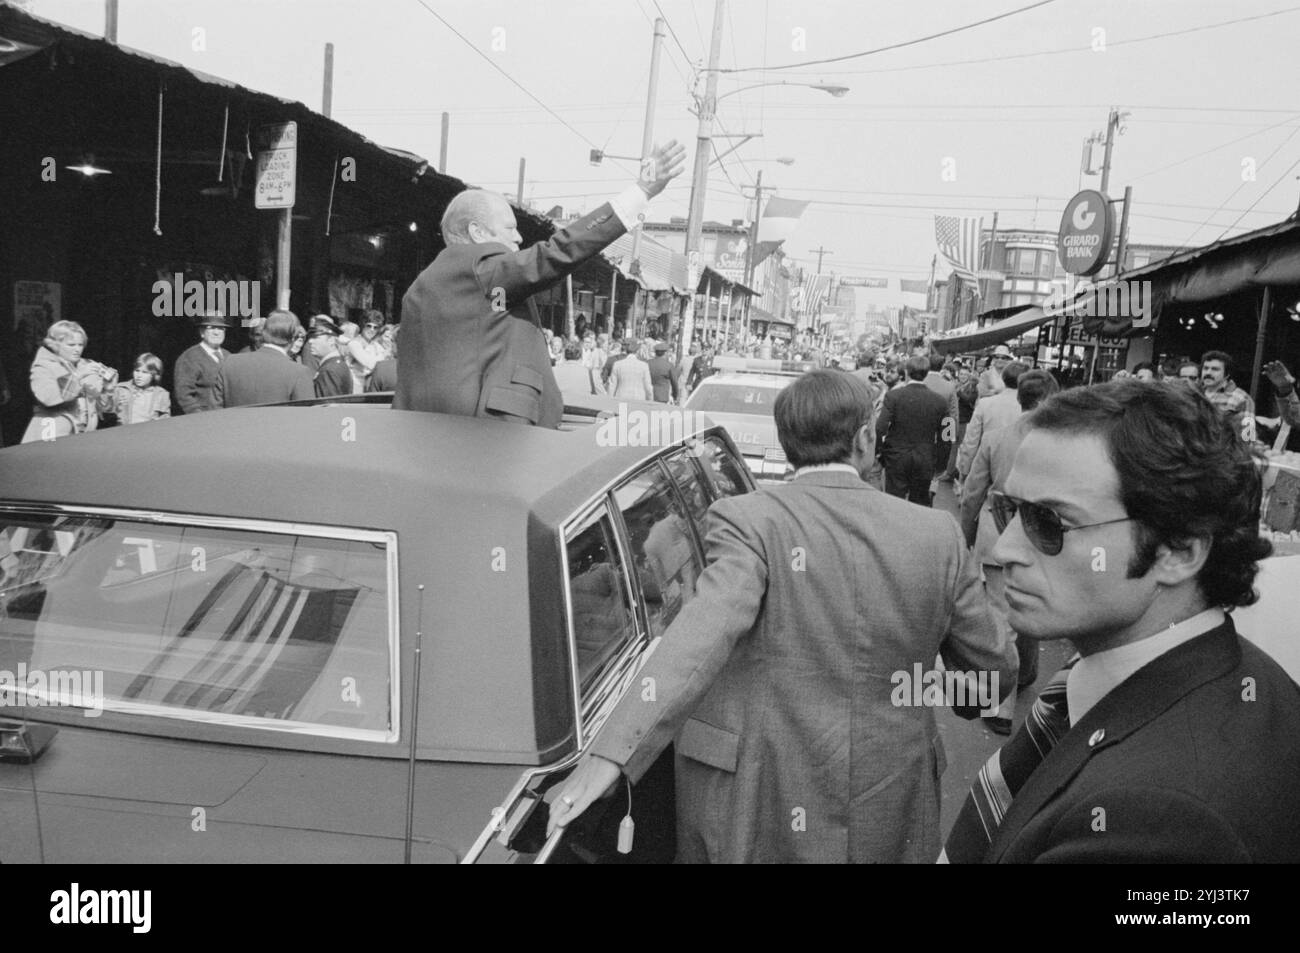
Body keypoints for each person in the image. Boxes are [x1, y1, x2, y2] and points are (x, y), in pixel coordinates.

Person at [548, 370, 1013, 863]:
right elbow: (993, 675)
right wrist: (928, 687)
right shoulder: (936, 534)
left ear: (787, 444)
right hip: (890, 793)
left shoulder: (748, 520)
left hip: (763, 794)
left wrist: (610, 755)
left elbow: (701, 633)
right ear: (863, 438)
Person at [950, 380, 1300, 863]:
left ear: (1178, 551)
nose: (1007, 548)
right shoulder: (1232, 676)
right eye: (1010, 509)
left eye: (1049, 523)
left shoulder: (1158, 820)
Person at [393, 141, 686, 427]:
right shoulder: (483, 269)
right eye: (509, 229)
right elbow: (557, 253)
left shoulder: (421, 289)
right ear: (477, 232)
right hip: (497, 440)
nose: (519, 238)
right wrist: (641, 192)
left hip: (433, 436)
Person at [958, 369, 1059, 734]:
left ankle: (1001, 705)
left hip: (997, 531)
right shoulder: (1061, 441)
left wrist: (967, 532)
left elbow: (972, 493)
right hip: (1047, 534)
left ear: (1020, 398)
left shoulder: (997, 438)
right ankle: (1022, 675)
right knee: (1034, 603)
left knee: (1002, 612)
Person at [21, 320, 117, 443]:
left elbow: (106, 410)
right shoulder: (43, 367)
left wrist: (108, 390)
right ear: (55, 345)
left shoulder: (88, 365)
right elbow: (49, 399)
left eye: (80, 345)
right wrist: (79, 376)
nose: (77, 349)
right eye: (71, 345)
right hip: (51, 435)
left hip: (84, 438)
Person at [876, 356, 950, 506]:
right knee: (919, 504)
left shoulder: (893, 396)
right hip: (925, 458)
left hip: (896, 456)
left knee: (893, 503)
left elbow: (880, 427)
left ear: (907, 372)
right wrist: (941, 464)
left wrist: (879, 451)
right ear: (927, 373)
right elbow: (948, 435)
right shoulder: (941, 401)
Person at [212, 310, 314, 408]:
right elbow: (306, 419)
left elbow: (213, 411)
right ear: (293, 338)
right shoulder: (299, 372)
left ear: (264, 333)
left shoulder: (229, 362)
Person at [957, 361, 1027, 480]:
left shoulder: (985, 404)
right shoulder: (1030, 408)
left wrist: (965, 470)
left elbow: (971, 441)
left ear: (1003, 378)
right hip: (1014, 475)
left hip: (984, 468)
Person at [173, 312, 231, 414]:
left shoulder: (229, 356)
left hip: (227, 417)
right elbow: (183, 395)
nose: (216, 332)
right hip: (203, 420)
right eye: (212, 328)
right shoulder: (189, 358)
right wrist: (199, 416)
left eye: (221, 328)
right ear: (202, 332)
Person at [1200, 349, 1255, 441]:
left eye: (1215, 369)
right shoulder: (1195, 393)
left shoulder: (1241, 398)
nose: (1208, 373)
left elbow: (1247, 437)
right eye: (1205, 368)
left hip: (1222, 452)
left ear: (1227, 374)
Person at [922, 353, 959, 482]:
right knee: (935, 467)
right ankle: (932, 486)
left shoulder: (921, 382)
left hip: (919, 430)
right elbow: (953, 414)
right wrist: (951, 438)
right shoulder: (949, 386)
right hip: (940, 432)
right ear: (942, 366)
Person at [112, 353, 171, 425]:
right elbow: (106, 409)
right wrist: (108, 390)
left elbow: (166, 420)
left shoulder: (161, 394)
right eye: (137, 371)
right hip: (124, 432)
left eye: (145, 372)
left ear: (154, 375)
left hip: (149, 433)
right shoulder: (122, 389)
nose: (139, 375)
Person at [306, 317, 352, 398]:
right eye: (310, 337)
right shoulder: (335, 364)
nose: (310, 341)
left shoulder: (329, 370)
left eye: (316, 337)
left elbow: (328, 407)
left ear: (331, 341)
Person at [346, 310, 387, 393]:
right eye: (369, 326)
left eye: (375, 327)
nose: (372, 330)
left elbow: (382, 365)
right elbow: (371, 365)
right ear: (363, 326)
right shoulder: (354, 343)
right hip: (354, 386)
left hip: (369, 387)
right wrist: (381, 356)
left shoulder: (376, 345)